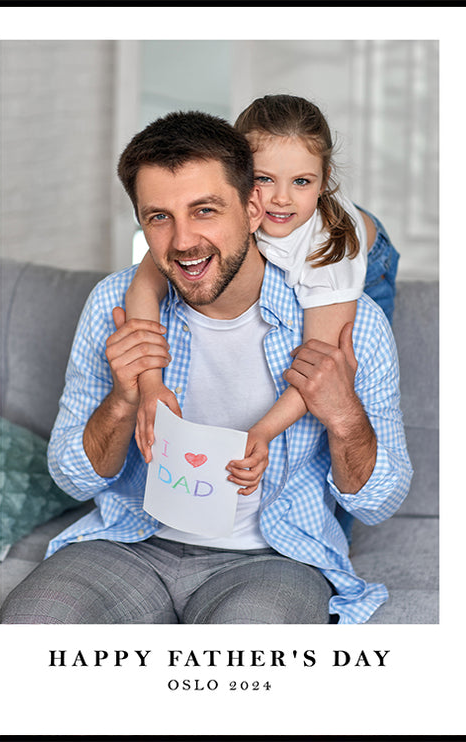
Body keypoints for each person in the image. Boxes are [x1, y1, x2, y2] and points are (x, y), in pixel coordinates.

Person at [0, 110, 412, 625]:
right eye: (158, 217)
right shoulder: (117, 303)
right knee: (30, 626)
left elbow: (379, 504)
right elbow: (73, 479)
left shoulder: (350, 318)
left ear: (254, 208)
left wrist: (345, 416)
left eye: (205, 210)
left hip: (274, 559)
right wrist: (125, 399)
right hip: (131, 542)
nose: (183, 241)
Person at [124, 96, 400, 531]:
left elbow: (318, 368)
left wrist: (263, 432)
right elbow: (142, 287)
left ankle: (331, 539)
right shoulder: (208, 223)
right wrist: (151, 385)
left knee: (345, 383)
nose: (281, 200)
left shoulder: (329, 256)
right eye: (264, 179)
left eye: (303, 182)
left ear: (325, 181)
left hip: (369, 259)